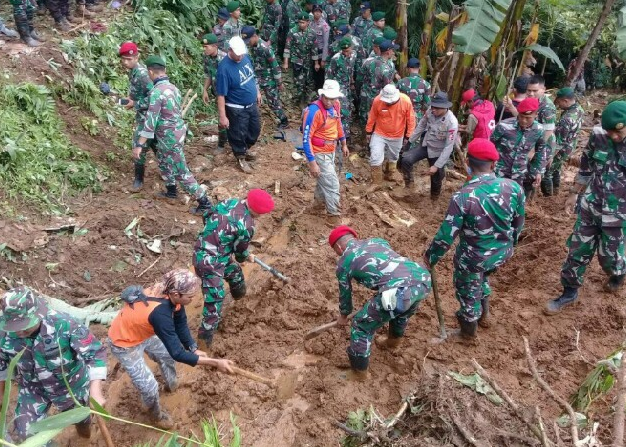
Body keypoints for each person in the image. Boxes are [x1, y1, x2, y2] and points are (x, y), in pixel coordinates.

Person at [423, 139, 525, 338]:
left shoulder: (463, 197)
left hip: (473, 258)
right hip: (503, 252)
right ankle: (484, 314)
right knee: (482, 276)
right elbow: (519, 223)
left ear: (467, 163)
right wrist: (509, 242)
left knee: (468, 291)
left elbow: (446, 236)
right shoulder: (513, 188)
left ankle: (468, 333)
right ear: (494, 164)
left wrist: (429, 258)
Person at [108, 269, 235, 429]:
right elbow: (178, 353)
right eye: (190, 297)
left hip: (144, 331)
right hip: (124, 342)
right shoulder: (160, 313)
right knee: (149, 387)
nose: (193, 299)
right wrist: (215, 363)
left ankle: (171, 384)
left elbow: (180, 323)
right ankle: (155, 415)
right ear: (176, 294)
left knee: (165, 356)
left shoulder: (171, 296)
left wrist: (193, 347)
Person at [545, 101, 626, 315]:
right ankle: (569, 292)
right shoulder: (599, 136)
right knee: (577, 251)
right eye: (609, 132)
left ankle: (618, 272)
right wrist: (574, 193)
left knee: (609, 259)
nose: (613, 137)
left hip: (619, 214)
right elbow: (586, 165)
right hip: (591, 206)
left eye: (617, 133)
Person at [0, 286, 107, 443]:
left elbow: (95, 353)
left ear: (37, 315)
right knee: (26, 432)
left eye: (24, 325)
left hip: (71, 387)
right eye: (14, 327)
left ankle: (84, 436)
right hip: (33, 388)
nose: (18, 332)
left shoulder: (65, 324)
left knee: (82, 421)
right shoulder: (4, 333)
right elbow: (1, 362)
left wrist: (95, 391)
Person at [329, 226, 431, 380]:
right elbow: (387, 264)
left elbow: (345, 294)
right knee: (400, 311)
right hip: (422, 279)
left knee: (360, 325)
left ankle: (358, 373)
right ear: (354, 237)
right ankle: (393, 342)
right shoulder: (377, 241)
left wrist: (344, 315)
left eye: (335, 250)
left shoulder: (344, 262)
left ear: (338, 247)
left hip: (398, 290)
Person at [193, 189, 275, 346]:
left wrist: (218, 239)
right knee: (214, 301)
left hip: (203, 249)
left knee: (235, 272)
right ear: (258, 212)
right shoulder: (247, 226)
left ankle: (240, 301)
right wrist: (245, 256)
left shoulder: (228, 202)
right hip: (210, 263)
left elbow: (207, 216)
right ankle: (204, 343)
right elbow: (240, 253)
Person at [134, 55, 213, 214]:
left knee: (180, 170)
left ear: (150, 72)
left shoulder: (156, 92)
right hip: (176, 133)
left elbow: (150, 122)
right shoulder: (173, 88)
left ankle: (204, 202)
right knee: (163, 161)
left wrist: (139, 145)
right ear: (164, 71)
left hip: (168, 137)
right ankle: (171, 190)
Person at [302, 80, 349, 222]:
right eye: (326, 98)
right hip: (319, 152)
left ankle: (318, 205)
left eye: (332, 98)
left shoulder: (336, 106)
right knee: (332, 183)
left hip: (331, 150)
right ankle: (333, 217)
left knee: (325, 180)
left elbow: (338, 124)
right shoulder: (313, 112)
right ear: (322, 95)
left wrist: (343, 142)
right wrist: (312, 162)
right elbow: (306, 139)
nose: (329, 102)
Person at [216, 36, 262, 174]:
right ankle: (240, 156)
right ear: (230, 50)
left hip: (251, 104)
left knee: (255, 130)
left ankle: (244, 149)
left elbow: (252, 76)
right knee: (238, 133)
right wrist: (223, 116)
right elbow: (221, 95)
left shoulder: (245, 58)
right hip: (236, 107)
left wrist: (257, 91)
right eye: (238, 53)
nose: (240, 56)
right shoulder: (224, 69)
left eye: (242, 53)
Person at [401, 91, 459, 200]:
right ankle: (409, 185)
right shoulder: (430, 111)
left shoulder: (452, 123)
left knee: (436, 177)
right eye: (433, 106)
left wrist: (436, 165)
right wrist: (409, 142)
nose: (433, 110)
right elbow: (421, 126)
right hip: (426, 145)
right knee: (406, 159)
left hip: (438, 152)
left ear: (445, 107)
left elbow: (448, 147)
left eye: (437, 108)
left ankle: (434, 198)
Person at [490, 97, 546, 195]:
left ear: (536, 115)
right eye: (521, 116)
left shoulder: (539, 130)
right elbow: (490, 145)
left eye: (528, 118)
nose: (524, 120)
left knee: (514, 199)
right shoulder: (504, 126)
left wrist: (538, 171)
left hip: (519, 173)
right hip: (499, 170)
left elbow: (541, 150)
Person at [119, 42, 156, 191]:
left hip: (149, 117)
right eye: (124, 59)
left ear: (136, 57)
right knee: (155, 145)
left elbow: (154, 98)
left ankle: (139, 180)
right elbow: (136, 93)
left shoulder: (142, 74)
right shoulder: (133, 72)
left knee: (138, 146)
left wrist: (135, 104)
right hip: (143, 115)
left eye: (129, 59)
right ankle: (168, 175)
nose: (126, 62)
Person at [366, 84, 415, 187]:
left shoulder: (405, 101)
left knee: (393, 157)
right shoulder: (377, 100)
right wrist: (368, 132)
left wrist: (408, 136)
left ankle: (390, 174)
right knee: (375, 156)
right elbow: (372, 116)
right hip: (379, 133)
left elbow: (411, 119)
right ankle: (376, 183)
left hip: (397, 135)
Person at [244, 26, 289, 129]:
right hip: (256, 77)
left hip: (269, 79)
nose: (247, 42)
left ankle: (284, 120)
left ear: (254, 36)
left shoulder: (265, 48)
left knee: (273, 101)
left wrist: (279, 82)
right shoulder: (251, 47)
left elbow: (275, 66)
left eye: (248, 40)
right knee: (252, 99)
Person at [544, 87, 584, 195]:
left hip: (561, 149)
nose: (558, 105)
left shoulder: (567, 118)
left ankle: (548, 197)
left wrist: (550, 156)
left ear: (565, 101)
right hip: (570, 146)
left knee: (547, 172)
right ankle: (555, 191)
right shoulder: (579, 109)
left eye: (559, 102)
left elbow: (558, 142)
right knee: (557, 169)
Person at [526, 75, 557, 196]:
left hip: (544, 143)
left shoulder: (547, 107)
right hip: (533, 141)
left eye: (535, 91)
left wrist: (535, 148)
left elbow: (548, 131)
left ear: (543, 89)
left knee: (536, 172)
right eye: (529, 90)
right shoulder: (529, 101)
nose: (531, 93)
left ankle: (539, 199)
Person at [358, 39, 396, 128]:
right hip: (380, 98)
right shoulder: (389, 66)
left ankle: (365, 137)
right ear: (388, 51)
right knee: (377, 120)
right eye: (392, 50)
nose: (393, 52)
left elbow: (359, 79)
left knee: (365, 119)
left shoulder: (367, 61)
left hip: (365, 96)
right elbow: (388, 86)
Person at [283, 12, 317, 107]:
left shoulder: (312, 33)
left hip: (308, 60)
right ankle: (300, 99)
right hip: (296, 60)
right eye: (299, 22)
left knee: (309, 80)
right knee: (298, 80)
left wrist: (316, 63)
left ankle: (308, 98)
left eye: (303, 22)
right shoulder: (292, 32)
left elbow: (314, 49)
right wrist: (285, 62)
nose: (300, 24)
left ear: (308, 22)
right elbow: (287, 47)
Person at [326, 37, 356, 141]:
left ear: (351, 48)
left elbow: (352, 70)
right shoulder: (336, 59)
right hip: (339, 88)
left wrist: (352, 82)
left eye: (347, 51)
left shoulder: (354, 55)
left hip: (348, 87)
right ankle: (344, 136)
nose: (346, 53)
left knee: (349, 109)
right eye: (344, 51)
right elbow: (329, 75)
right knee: (344, 111)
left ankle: (344, 132)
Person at [201, 33, 228, 152]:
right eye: (203, 46)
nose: (204, 49)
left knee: (232, 117)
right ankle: (222, 144)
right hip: (218, 93)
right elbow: (208, 74)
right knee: (221, 118)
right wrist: (205, 90)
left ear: (215, 46)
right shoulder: (206, 57)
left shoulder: (224, 59)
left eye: (206, 47)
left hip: (229, 93)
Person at [396, 57, 431, 122]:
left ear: (408, 69)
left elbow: (395, 99)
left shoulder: (401, 82)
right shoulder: (426, 84)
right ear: (419, 68)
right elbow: (427, 104)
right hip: (417, 116)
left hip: (402, 115)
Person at [310, 3, 330, 90]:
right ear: (313, 12)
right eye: (315, 11)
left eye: (319, 12)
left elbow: (326, 43)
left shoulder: (324, 26)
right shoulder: (310, 23)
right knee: (313, 73)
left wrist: (323, 59)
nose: (317, 13)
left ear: (321, 13)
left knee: (320, 75)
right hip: (311, 52)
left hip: (320, 52)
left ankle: (320, 91)